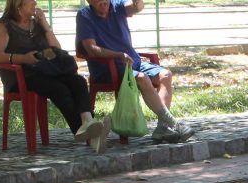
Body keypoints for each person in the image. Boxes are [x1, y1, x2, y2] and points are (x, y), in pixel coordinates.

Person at [0, 0, 110, 153]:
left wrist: (45, 26)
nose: (35, 2)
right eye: (31, 1)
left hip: (46, 70)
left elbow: (56, 49)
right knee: (59, 89)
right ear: (19, 5)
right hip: (22, 76)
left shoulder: (37, 24)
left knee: (78, 81)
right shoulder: (4, 25)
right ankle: (85, 132)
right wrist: (22, 58)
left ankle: (88, 122)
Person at [76, 0, 193, 144]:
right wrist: (118, 55)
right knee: (142, 78)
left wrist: (137, 2)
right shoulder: (84, 15)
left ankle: (162, 128)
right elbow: (91, 49)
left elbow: (135, 8)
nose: (104, 1)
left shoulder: (116, 6)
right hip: (107, 68)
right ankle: (174, 123)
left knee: (165, 75)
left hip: (133, 63)